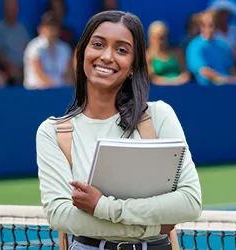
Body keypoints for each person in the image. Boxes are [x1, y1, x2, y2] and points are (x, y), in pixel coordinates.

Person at [36, 11, 202, 250]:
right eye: (98, 44)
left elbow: (190, 202)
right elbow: (61, 215)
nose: (106, 56)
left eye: (122, 50)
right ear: (82, 52)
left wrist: (103, 207)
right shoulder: (53, 132)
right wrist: (153, 226)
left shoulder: (159, 116)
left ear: (134, 65)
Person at [23, 13, 73, 90]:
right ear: (40, 28)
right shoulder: (34, 47)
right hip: (36, 92)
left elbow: (68, 74)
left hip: (59, 92)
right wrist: (54, 88)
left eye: (54, 26)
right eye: (48, 27)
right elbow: (39, 72)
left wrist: (67, 89)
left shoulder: (65, 48)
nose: (51, 30)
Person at [146, 21, 190, 85]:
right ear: (150, 38)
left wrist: (180, 80)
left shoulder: (177, 53)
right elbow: (152, 78)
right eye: (155, 38)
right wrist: (173, 82)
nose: (159, 41)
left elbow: (185, 73)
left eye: (162, 38)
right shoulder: (146, 57)